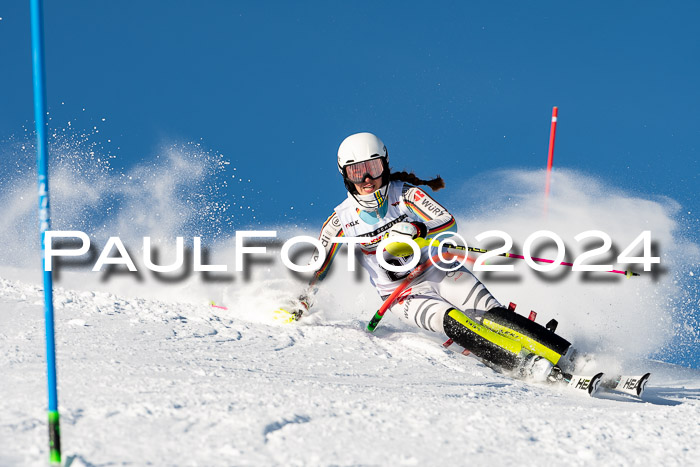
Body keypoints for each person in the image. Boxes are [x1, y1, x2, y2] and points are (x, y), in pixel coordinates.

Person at [282, 132, 574, 381]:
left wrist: (418, 227)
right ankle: (524, 365)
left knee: (490, 312)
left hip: (437, 270)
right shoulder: (340, 221)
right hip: (402, 296)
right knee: (451, 320)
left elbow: (447, 222)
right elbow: (317, 267)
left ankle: (568, 355)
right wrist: (301, 299)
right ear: (345, 175)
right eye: (357, 171)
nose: (368, 178)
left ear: (385, 164)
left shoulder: (406, 194)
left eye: (373, 167)